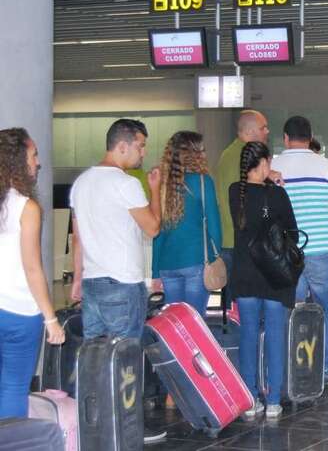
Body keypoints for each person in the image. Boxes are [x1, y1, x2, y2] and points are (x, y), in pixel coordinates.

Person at [69, 118, 166, 443]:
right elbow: (152, 227)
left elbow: (78, 237)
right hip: (123, 284)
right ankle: (127, 427)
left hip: (95, 283)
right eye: (140, 145)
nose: (143, 152)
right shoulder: (126, 184)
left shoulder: (81, 183)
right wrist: (155, 189)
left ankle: (95, 427)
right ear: (121, 145)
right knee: (125, 359)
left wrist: (77, 279)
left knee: (95, 360)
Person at [271, 116, 328, 382]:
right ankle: (327, 368)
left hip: (286, 255)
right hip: (322, 250)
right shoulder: (327, 167)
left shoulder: (272, 168)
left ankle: (293, 368)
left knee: (291, 311)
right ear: (310, 138)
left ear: (285, 138)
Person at [229, 142, 297, 420]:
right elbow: (291, 230)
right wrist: (273, 181)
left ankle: (249, 397)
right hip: (274, 276)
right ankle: (272, 401)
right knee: (275, 337)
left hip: (245, 274)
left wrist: (266, 176)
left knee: (247, 337)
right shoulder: (277, 195)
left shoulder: (235, 192)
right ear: (266, 162)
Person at [0, 128, 65, 418]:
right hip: (18, 313)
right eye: (33, 154)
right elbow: (32, 267)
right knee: (13, 388)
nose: (37, 162)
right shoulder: (26, 207)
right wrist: (51, 319)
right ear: (17, 161)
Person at [151, 131, 222, 317]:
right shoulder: (203, 181)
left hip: (167, 264)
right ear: (197, 154)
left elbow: (158, 232)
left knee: (174, 322)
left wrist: (155, 271)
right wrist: (216, 257)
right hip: (196, 261)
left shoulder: (163, 186)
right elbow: (214, 226)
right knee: (195, 321)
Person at [215, 110, 270, 307]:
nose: (267, 131)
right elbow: (245, 201)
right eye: (263, 128)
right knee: (245, 309)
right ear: (250, 131)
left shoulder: (230, 154)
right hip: (241, 243)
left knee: (240, 307)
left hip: (234, 240)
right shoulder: (241, 157)